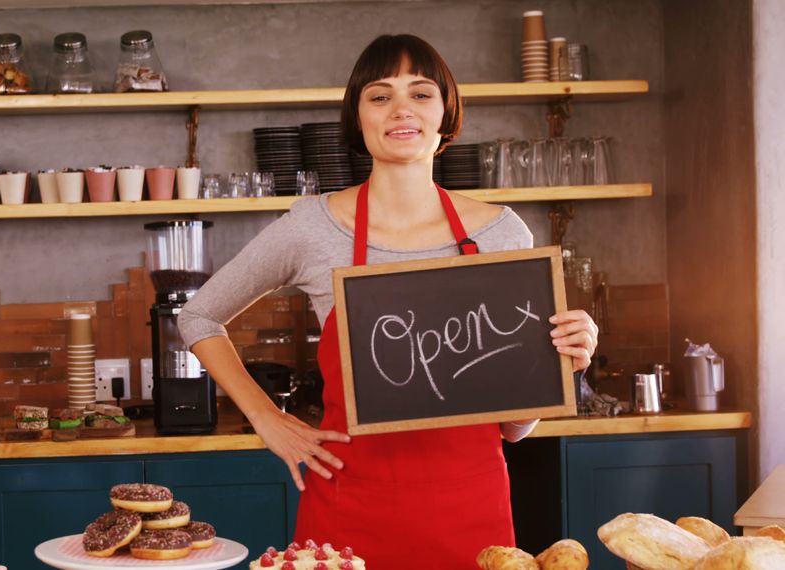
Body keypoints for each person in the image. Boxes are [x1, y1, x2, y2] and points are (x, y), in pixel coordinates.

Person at [178, 34, 598, 569]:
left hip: (471, 513)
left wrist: (564, 362)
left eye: (421, 94)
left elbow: (515, 425)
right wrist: (266, 417)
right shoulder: (313, 227)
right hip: (346, 511)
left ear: (446, 113)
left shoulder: (502, 232)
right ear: (358, 117)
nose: (401, 109)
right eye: (380, 96)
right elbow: (198, 314)